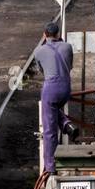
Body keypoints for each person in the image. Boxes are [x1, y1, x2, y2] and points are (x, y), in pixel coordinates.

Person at [33, 20, 79, 174]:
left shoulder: (39, 51)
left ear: (44, 35)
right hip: (66, 88)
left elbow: (42, 70)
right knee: (53, 110)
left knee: (49, 130)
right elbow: (70, 66)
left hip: (51, 87)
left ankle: (50, 167)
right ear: (58, 34)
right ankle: (67, 124)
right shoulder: (67, 47)